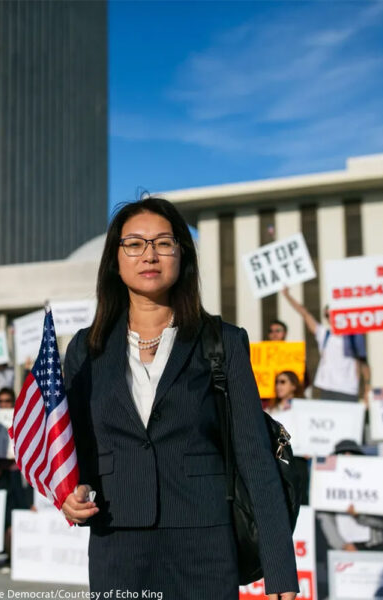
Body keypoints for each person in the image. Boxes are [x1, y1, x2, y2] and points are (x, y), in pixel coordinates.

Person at [60, 197, 298, 600]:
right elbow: (74, 448)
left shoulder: (223, 341)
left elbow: (255, 457)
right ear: (115, 260)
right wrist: (65, 494)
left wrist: (280, 572)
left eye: (164, 243)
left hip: (204, 543)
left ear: (182, 256)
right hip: (118, 541)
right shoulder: (87, 348)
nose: (149, 254)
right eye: (134, 243)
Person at [282, 289, 370, 401]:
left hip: (349, 389)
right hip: (327, 388)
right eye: (327, 315)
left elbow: (363, 364)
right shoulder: (324, 334)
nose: (330, 318)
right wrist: (288, 296)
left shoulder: (353, 336)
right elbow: (304, 313)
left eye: (333, 314)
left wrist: (367, 389)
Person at [266, 371, 309, 504]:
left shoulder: (305, 409)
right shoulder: (270, 411)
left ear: (294, 386)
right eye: (277, 383)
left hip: (298, 459)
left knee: (299, 498)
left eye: (283, 382)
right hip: (277, 461)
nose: (279, 386)